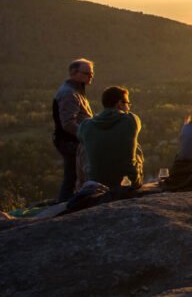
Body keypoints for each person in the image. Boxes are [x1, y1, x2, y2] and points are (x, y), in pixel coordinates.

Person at [77, 86, 144, 189]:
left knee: (83, 147)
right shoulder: (131, 120)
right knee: (136, 146)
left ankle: (81, 185)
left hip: (96, 183)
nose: (129, 107)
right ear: (119, 104)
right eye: (128, 104)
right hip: (128, 182)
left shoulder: (86, 125)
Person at [52, 58, 94, 201]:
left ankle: (67, 204)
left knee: (73, 177)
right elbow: (68, 123)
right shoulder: (69, 94)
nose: (91, 76)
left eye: (92, 73)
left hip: (71, 141)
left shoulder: (76, 91)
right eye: (87, 73)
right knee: (73, 177)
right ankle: (66, 205)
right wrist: (86, 136)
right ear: (73, 73)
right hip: (71, 142)